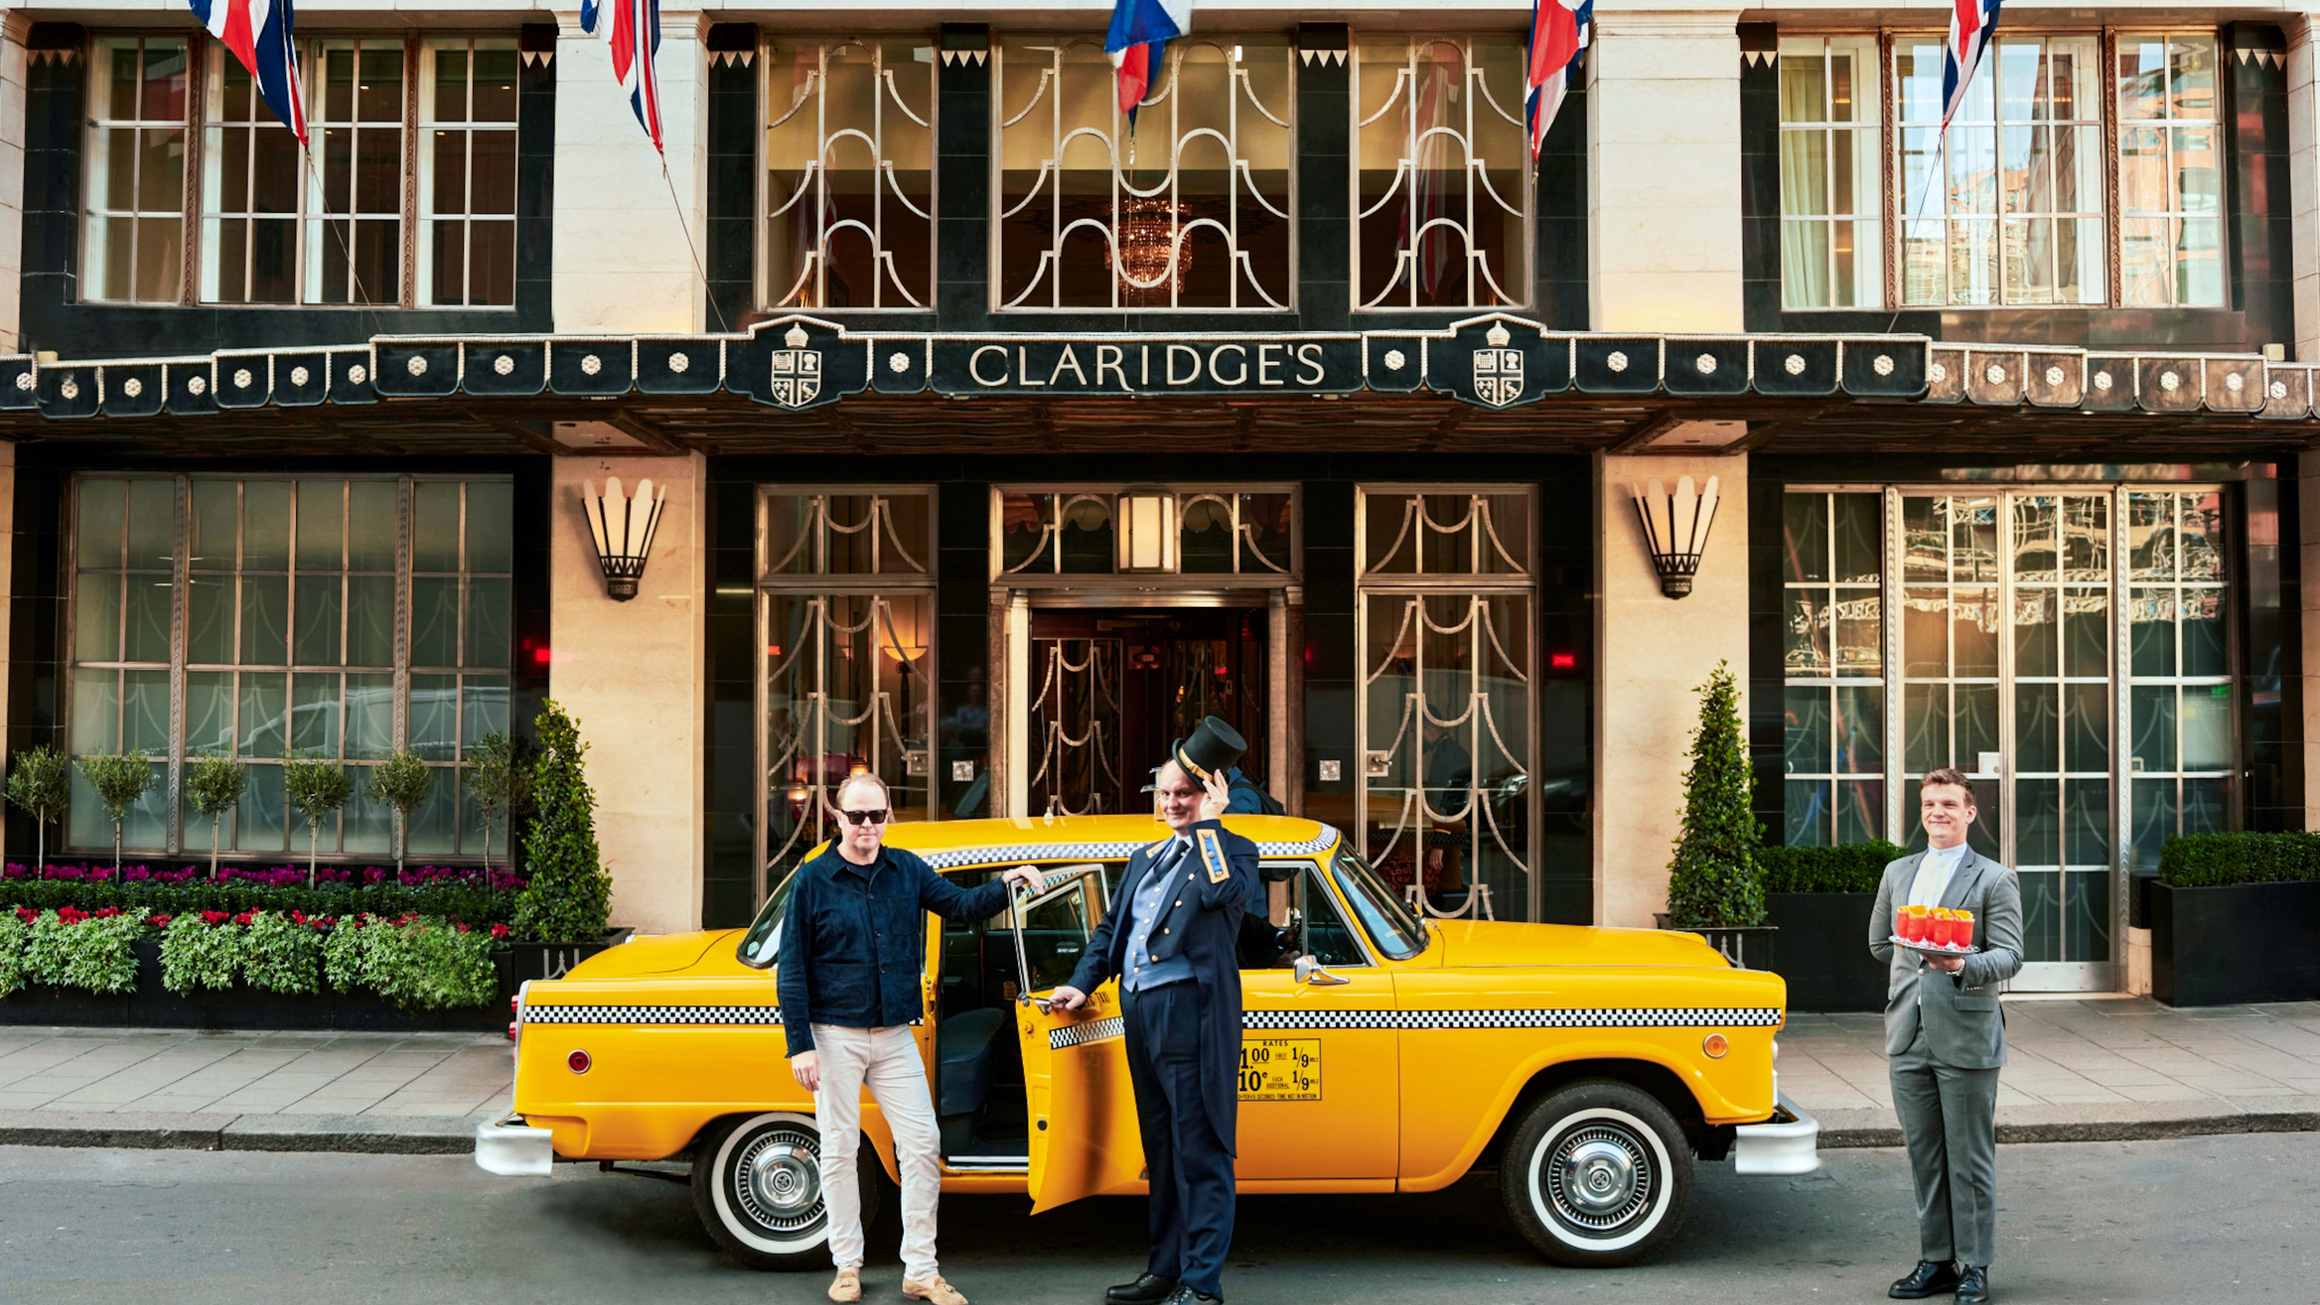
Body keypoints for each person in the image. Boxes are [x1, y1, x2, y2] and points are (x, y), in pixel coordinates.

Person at [777, 772, 1047, 1305]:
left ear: (887, 816)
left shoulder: (907, 869)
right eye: (857, 817)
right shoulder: (812, 880)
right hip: (833, 1035)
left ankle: (920, 1269)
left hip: (895, 1034)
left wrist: (1008, 881)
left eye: (878, 816)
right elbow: (792, 967)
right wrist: (800, 1042)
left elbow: (962, 906)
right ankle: (847, 1265)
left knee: (923, 1145)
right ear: (836, 818)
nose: (868, 826)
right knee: (837, 1151)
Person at [1051, 719, 1260, 1305]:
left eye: (1183, 795)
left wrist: (1213, 826)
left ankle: (1202, 1283)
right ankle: (1165, 1268)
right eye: (1165, 794)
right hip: (1141, 1011)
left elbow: (1223, 896)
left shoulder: (1234, 850)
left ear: (1209, 797)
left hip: (1190, 1012)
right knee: (1162, 1146)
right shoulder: (1144, 856)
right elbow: (1114, 928)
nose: (1171, 803)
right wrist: (1079, 983)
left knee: (1202, 1147)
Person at [1867, 768, 2024, 1305]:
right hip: (1907, 1033)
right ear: (1921, 809)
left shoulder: (1993, 878)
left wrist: (1959, 964)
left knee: (1970, 1156)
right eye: (1931, 803)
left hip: (1966, 1032)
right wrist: (1913, 971)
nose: (1939, 812)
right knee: (1924, 1155)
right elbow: (1880, 944)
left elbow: (2010, 956)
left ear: (1970, 812)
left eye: (1950, 804)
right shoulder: (1898, 871)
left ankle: (1975, 1266)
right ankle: (1936, 1261)